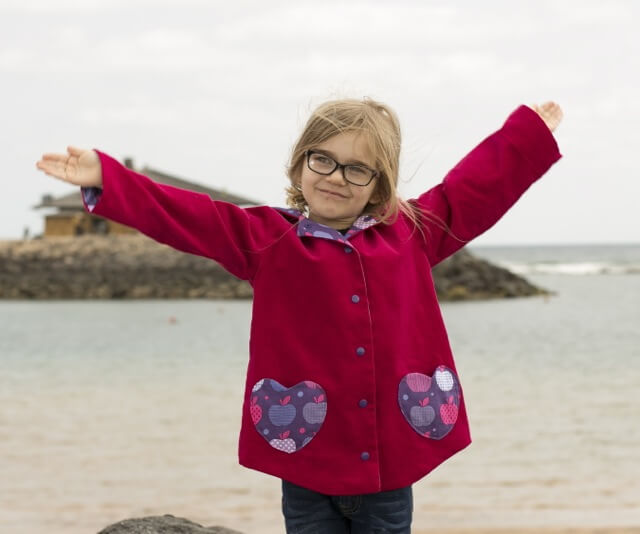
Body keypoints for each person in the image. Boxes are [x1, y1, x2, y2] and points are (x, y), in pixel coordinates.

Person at [36, 98, 563, 533]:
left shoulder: (411, 235)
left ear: (380, 184)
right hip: (308, 463)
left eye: (357, 168)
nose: (336, 177)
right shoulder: (267, 239)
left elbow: (473, 189)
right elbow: (189, 216)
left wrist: (526, 137)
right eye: (322, 159)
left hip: (390, 470)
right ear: (299, 164)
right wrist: (109, 178)